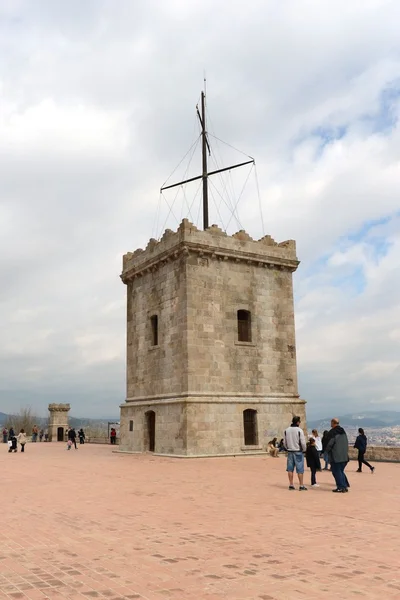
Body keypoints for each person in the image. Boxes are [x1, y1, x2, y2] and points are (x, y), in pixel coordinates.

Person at [326, 418, 350, 493]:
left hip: (336, 456)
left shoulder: (333, 432)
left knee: (336, 471)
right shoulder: (343, 431)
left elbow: (329, 444)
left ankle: (340, 487)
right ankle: (344, 486)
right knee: (340, 471)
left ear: (333, 423)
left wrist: (326, 451)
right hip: (344, 456)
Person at [284, 416, 307, 491]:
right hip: (298, 451)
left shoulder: (286, 430)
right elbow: (303, 442)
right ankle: (301, 485)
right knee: (300, 469)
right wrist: (304, 450)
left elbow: (284, 442)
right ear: (297, 422)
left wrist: (287, 448)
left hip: (290, 451)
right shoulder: (299, 430)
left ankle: (291, 484)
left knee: (290, 469)